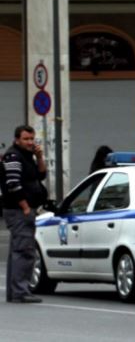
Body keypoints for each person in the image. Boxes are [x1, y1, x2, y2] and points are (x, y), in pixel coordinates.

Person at [3, 125, 48, 303]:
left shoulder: (28, 156)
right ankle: (20, 291)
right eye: (26, 139)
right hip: (18, 210)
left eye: (32, 139)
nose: (30, 142)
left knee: (18, 251)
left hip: (22, 209)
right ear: (17, 140)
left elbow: (41, 175)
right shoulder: (13, 156)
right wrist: (26, 207)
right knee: (24, 251)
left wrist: (39, 157)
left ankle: (15, 292)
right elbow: (13, 184)